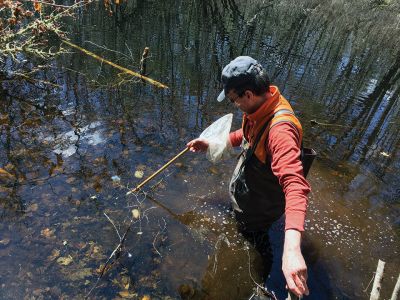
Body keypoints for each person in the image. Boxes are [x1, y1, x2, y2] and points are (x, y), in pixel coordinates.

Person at [186, 56, 311, 298]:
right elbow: (246, 135)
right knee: (244, 229)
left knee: (255, 241)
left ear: (249, 95)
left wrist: (292, 249)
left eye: (234, 100)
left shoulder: (281, 130)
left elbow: (296, 185)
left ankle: (261, 266)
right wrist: (213, 143)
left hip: (260, 208)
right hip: (250, 198)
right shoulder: (260, 106)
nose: (234, 105)